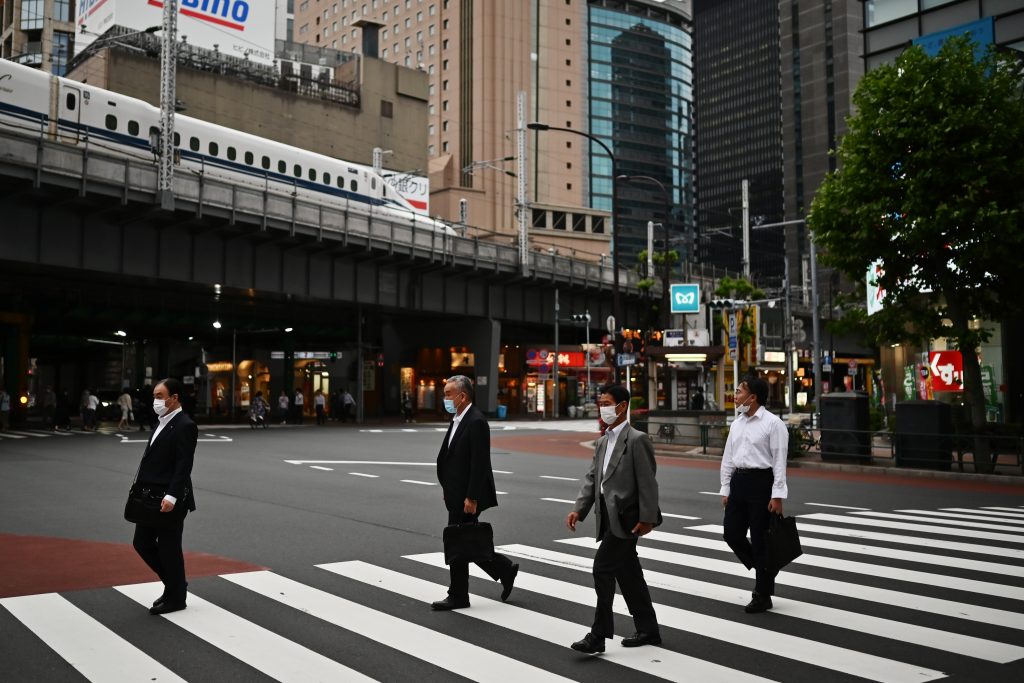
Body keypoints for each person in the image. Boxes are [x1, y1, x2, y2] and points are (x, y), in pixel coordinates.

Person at [566, 383, 662, 653]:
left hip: (628, 519)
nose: (602, 407)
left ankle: (598, 635)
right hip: (607, 517)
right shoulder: (603, 441)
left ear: (622, 406)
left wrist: (647, 519)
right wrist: (579, 509)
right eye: (601, 402)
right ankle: (648, 629)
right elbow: (593, 478)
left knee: (603, 569)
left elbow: (648, 483)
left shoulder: (636, 440)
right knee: (629, 574)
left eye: (607, 402)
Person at [431, 375, 518, 610]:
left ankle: (459, 594)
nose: (445, 398)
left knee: (458, 541)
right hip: (456, 492)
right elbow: (454, 458)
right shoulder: (458, 418)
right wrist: (449, 488)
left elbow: (479, 463)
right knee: (463, 539)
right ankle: (503, 569)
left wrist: (472, 496)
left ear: (462, 396)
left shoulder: (476, 421)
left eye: (449, 394)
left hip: (467, 495)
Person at [719, 375, 789, 614]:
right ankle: (766, 568)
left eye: (738, 391)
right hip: (739, 481)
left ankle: (762, 593)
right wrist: (726, 488)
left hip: (762, 483)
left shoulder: (773, 424)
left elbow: (779, 461)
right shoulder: (736, 423)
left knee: (760, 540)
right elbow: (728, 458)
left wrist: (777, 495)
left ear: (753, 397)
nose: (735, 396)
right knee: (731, 534)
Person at [131, 378, 198, 615]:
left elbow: (183, 465)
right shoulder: (162, 421)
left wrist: (172, 497)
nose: (155, 401)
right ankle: (175, 586)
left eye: (160, 396)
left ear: (174, 398)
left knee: (169, 548)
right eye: (154, 396)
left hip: (169, 499)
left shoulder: (184, 425)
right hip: (150, 497)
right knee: (142, 543)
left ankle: (176, 596)